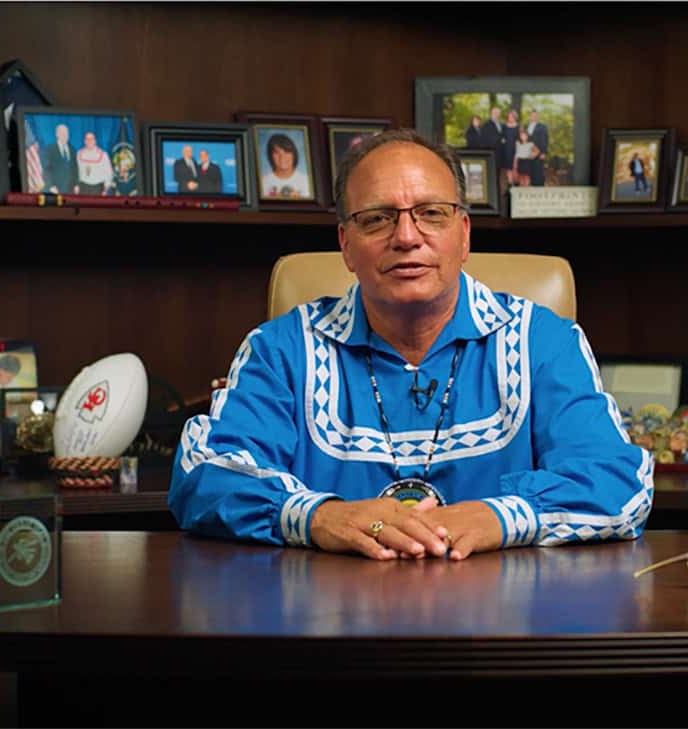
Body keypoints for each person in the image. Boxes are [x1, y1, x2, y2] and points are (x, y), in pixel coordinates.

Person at [170, 128, 653, 561]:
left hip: (500, 632)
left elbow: (618, 483)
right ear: (346, 244)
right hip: (326, 630)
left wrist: (498, 518)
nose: (406, 236)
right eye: (377, 218)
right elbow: (204, 475)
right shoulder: (281, 350)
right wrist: (319, 517)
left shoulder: (544, 342)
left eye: (431, 214)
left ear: (463, 236)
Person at [261, 132, 311, 199]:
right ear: (270, 156)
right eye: (276, 152)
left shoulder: (307, 181)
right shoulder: (263, 182)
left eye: (287, 152)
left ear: (294, 155)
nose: (282, 157)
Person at [42, 124, 78, 194]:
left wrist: (76, 184)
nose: (65, 135)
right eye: (62, 133)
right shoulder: (50, 149)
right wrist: (51, 186)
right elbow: (46, 169)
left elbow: (75, 169)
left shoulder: (72, 149)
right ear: (57, 134)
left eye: (66, 133)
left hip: (70, 190)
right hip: (55, 189)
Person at [76, 131, 114, 195]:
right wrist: (76, 185)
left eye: (91, 139)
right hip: (83, 187)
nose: (89, 141)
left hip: (98, 188)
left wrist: (105, 189)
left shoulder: (103, 155)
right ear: (84, 141)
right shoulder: (79, 154)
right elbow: (76, 171)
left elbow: (109, 173)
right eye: (87, 139)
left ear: (95, 141)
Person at [525, 110, 548, 186]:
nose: (533, 117)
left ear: (538, 116)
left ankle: (539, 188)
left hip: (539, 152)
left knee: (539, 171)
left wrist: (544, 152)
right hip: (528, 153)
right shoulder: (526, 126)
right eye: (532, 115)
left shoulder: (542, 126)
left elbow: (545, 139)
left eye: (535, 115)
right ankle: (531, 186)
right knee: (530, 170)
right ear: (530, 116)